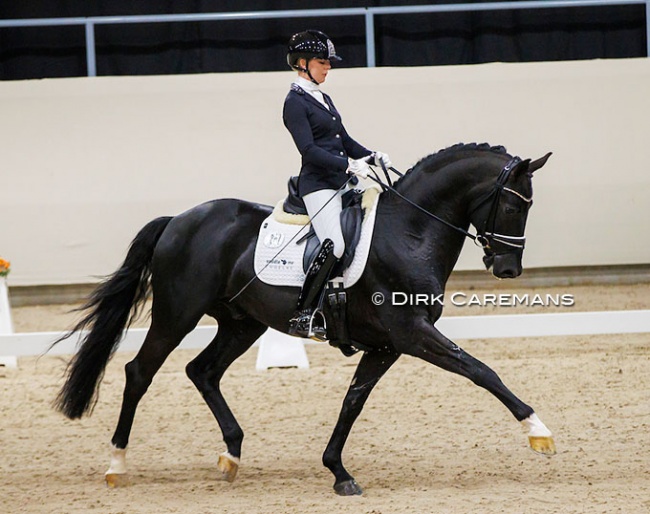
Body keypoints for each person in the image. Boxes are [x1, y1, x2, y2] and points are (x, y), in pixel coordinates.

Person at [282, 29, 392, 338]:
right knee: (336, 244)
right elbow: (309, 151)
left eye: (328, 63)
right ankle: (303, 313)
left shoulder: (322, 97)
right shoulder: (294, 102)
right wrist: (348, 164)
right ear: (302, 63)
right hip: (318, 185)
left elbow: (343, 140)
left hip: (341, 182)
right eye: (322, 62)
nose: (328, 67)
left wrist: (370, 156)